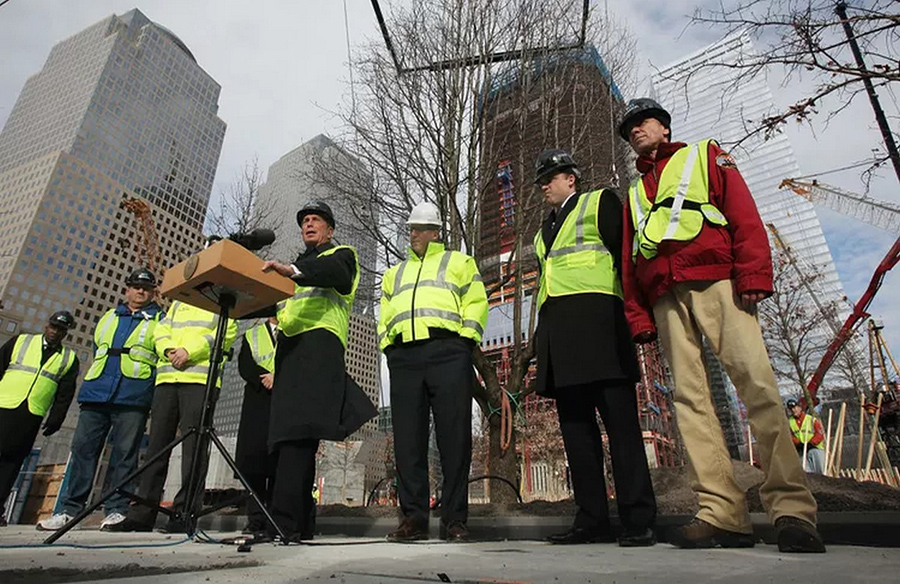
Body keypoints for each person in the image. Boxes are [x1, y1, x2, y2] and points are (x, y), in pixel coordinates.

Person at [618, 97, 825, 553]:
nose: (634, 130)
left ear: (664, 127)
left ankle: (791, 510)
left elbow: (742, 213)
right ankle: (721, 513)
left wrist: (753, 274)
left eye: (642, 122)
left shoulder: (705, 156)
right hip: (665, 298)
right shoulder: (634, 192)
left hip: (718, 282)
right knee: (689, 400)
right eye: (628, 128)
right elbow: (630, 259)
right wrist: (638, 316)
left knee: (757, 385)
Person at [531, 150, 657, 547]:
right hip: (561, 337)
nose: (544, 186)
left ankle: (637, 518)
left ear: (572, 178)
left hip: (602, 328)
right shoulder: (541, 232)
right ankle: (591, 519)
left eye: (551, 177)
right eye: (542, 180)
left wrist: (637, 316)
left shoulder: (599, 202)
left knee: (621, 427)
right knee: (576, 433)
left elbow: (625, 258)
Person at [259, 200, 377, 542]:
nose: (309, 224)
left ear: (330, 229)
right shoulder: (296, 266)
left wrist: (292, 271)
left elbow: (337, 277)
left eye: (316, 220)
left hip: (318, 349)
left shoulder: (341, 255)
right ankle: (300, 524)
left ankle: (283, 523)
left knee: (296, 435)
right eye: (305, 220)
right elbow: (275, 304)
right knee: (291, 440)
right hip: (291, 351)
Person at [378, 202, 488, 543]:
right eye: (410, 228)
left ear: (435, 232)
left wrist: (465, 341)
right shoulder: (394, 273)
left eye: (420, 228)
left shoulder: (458, 262)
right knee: (408, 442)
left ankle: (455, 519)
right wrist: (389, 347)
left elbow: (476, 301)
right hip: (404, 358)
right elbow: (385, 313)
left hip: (448, 353)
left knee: (454, 437)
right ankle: (414, 518)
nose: (413, 233)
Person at [37, 269, 162, 532]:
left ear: (153, 293)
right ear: (127, 289)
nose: (141, 291)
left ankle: (116, 509)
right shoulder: (109, 316)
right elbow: (99, 348)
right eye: (136, 286)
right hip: (97, 392)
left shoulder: (159, 320)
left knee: (124, 456)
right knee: (83, 451)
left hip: (133, 394)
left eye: (146, 288)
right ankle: (69, 510)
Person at [108, 296, 237, 532]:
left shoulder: (221, 303)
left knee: (193, 450)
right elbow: (161, 330)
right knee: (156, 447)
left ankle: (183, 515)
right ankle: (142, 514)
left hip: (199, 381)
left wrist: (189, 351)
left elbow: (225, 332)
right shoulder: (180, 303)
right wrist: (168, 349)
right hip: (167, 379)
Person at [0, 311, 79, 526]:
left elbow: (65, 393)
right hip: (4, 404)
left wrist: (56, 419)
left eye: (61, 330)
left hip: (31, 413)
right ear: (47, 326)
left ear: (65, 333)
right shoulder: (21, 342)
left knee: (12, 463)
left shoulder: (68, 358)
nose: (56, 332)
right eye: (53, 327)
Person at [234, 316, 278, 536]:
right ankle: (255, 518)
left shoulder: (294, 331)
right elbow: (245, 364)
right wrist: (264, 378)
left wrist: (278, 376)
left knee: (278, 464)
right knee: (255, 464)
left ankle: (274, 518)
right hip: (257, 398)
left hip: (283, 398)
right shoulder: (252, 333)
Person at [787, 399, 826, 475]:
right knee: (806, 473)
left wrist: (811, 443)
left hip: (815, 448)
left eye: (795, 408)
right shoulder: (789, 422)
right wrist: (798, 443)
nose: (793, 410)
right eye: (791, 409)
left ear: (800, 408)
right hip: (801, 450)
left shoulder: (811, 419)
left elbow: (819, 433)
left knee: (820, 471)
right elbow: (789, 435)